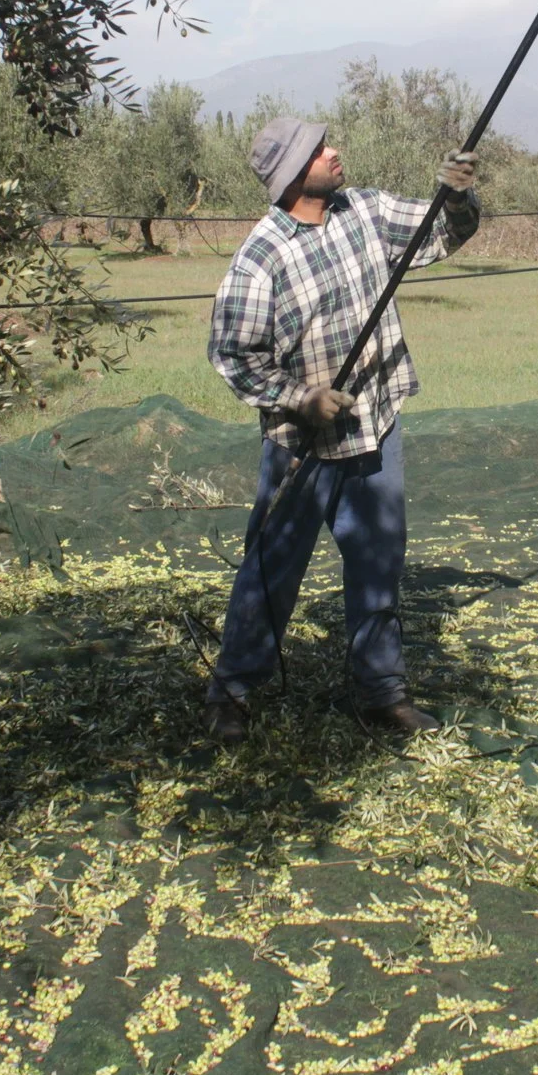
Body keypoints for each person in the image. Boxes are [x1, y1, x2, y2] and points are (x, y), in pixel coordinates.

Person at [202, 114, 480, 741]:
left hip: (375, 429)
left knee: (378, 563)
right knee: (271, 568)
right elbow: (232, 355)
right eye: (320, 149)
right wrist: (299, 399)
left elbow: (440, 233)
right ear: (294, 173)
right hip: (300, 448)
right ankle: (231, 692)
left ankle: (382, 694)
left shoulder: (367, 211)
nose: (335, 151)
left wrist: (458, 195)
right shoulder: (259, 259)